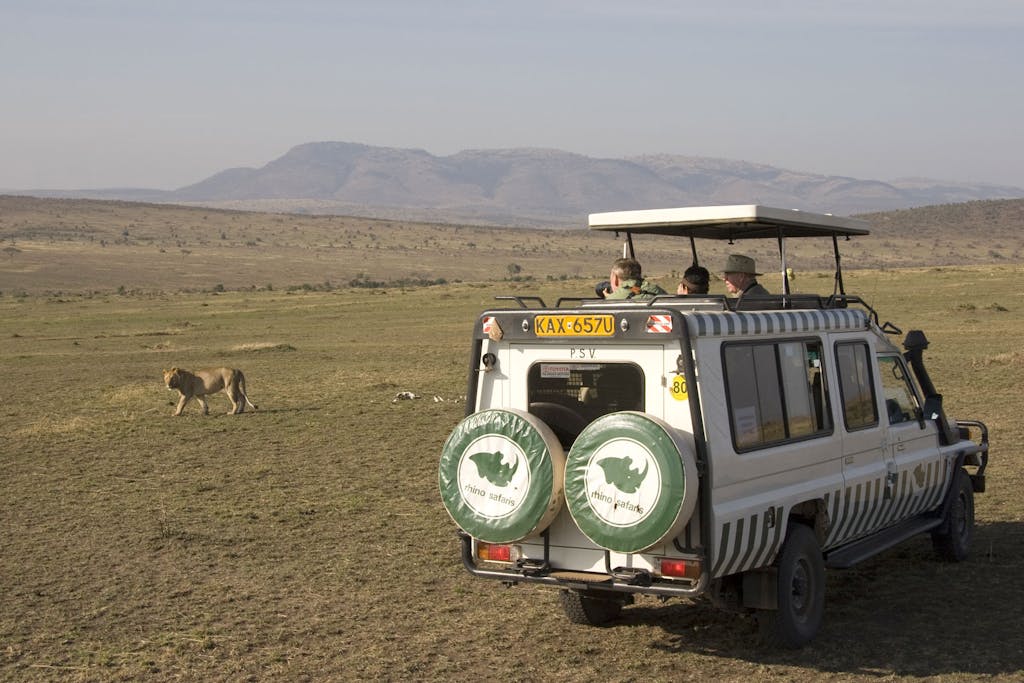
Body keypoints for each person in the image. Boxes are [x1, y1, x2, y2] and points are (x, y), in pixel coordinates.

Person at [602, 257, 667, 301]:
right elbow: (636, 291)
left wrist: (609, 297)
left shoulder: (612, 299)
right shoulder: (657, 291)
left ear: (615, 279)